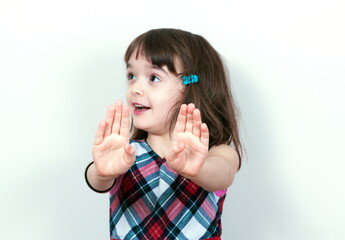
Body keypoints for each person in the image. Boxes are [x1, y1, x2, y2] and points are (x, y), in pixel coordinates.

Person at [85, 28, 242, 240]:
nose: (135, 89)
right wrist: (102, 173)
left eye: (154, 78)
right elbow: (96, 179)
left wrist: (197, 169)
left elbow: (223, 174)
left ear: (191, 86)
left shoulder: (216, 153)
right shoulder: (126, 153)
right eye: (132, 76)